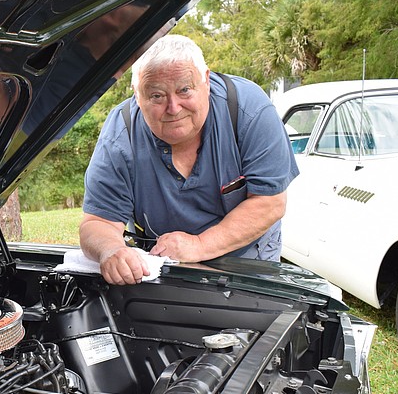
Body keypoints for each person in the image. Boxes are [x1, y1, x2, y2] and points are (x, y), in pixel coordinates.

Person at [79, 35, 298, 285]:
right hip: (161, 269)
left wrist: (199, 245)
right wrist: (112, 251)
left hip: (247, 263)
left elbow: (269, 203)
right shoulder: (120, 134)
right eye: (157, 96)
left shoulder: (250, 110)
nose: (173, 107)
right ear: (137, 95)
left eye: (184, 90)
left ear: (206, 80)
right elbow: (98, 221)